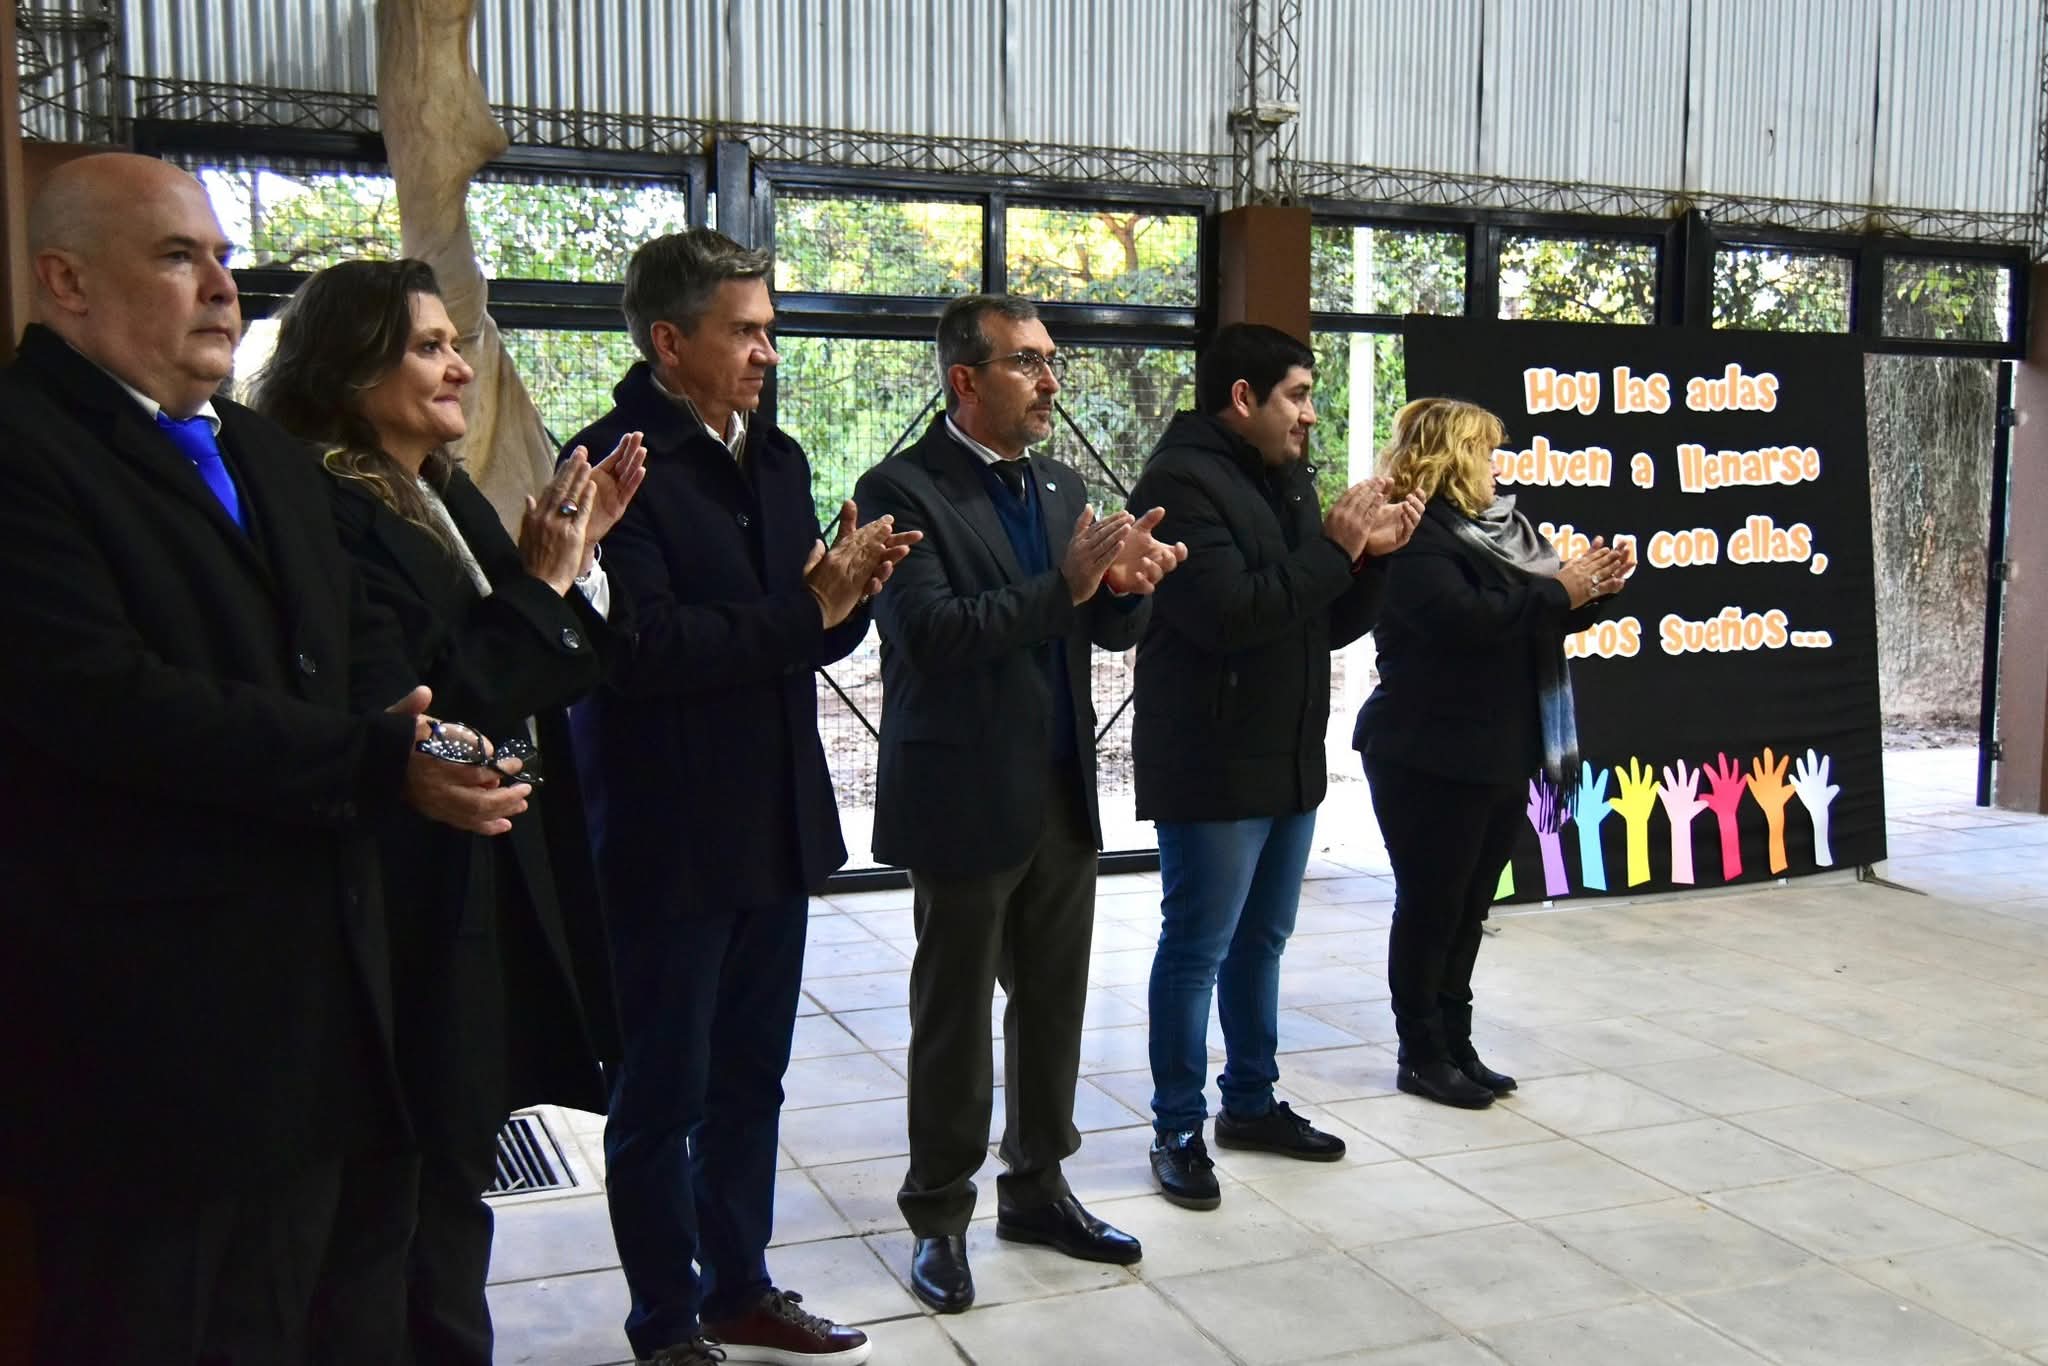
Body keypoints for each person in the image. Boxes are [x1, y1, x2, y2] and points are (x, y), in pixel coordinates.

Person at [0, 153, 529, 1364]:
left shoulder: (258, 450)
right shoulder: (28, 449)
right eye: (176, 257)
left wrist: (415, 729)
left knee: (305, 1312)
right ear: (65, 280)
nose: (220, 288)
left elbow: (349, 646)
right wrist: (372, 758)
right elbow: (102, 699)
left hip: (319, 1003)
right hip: (148, 1029)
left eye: (223, 258)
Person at [250, 256, 648, 1365]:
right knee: (392, 1204)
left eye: (454, 344)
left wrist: (575, 566)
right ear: (349, 364)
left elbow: (550, 666)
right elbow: (435, 706)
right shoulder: (321, 503)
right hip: (400, 889)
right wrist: (543, 585)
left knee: (454, 1174)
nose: (459, 366)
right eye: (427, 346)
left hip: (484, 870)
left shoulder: (439, 487)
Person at [564, 228, 915, 1366]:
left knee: (750, 1082)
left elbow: (799, 635)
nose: (768, 350)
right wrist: (804, 612)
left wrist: (853, 594)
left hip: (773, 819)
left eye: (770, 328)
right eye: (745, 330)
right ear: (669, 342)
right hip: (668, 831)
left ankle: (740, 1288)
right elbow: (641, 650)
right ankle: (665, 1322)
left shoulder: (777, 458)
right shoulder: (609, 466)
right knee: (660, 1094)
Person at [853, 293, 1186, 1315]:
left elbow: (1095, 629)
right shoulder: (899, 487)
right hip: (961, 792)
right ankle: (938, 1216)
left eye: (1051, 360)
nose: (1049, 381)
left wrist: (1127, 589)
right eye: (1027, 363)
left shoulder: (1059, 485)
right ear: (965, 379)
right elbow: (931, 635)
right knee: (953, 1020)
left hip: (1057, 790)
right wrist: (1070, 587)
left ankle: (1038, 1189)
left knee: (1052, 1005)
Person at [1128, 323, 1424, 1208]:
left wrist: (1371, 563)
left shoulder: (1284, 476)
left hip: (1288, 754)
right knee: (1198, 948)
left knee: (1263, 942)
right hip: (1212, 761)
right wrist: (1335, 551)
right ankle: (1177, 1127)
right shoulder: (1180, 483)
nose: (1310, 414)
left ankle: (1250, 1103)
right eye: (1297, 394)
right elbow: (1229, 615)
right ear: (1243, 398)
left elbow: (1315, 621)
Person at [1354, 397, 1632, 1109]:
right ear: (1451, 457)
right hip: (1428, 750)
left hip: (1500, 746)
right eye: (1483, 451)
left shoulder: (1504, 532)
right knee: (1432, 905)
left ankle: (1456, 1041)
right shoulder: (1413, 534)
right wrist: (1561, 592)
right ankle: (1421, 1054)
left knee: (1471, 904)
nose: (1495, 466)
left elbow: (1532, 620)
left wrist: (1594, 588)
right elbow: (1467, 623)